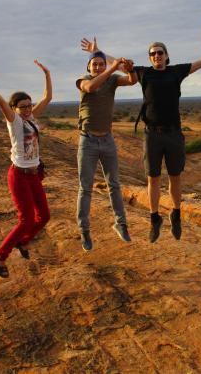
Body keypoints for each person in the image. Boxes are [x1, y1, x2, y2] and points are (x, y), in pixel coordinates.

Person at [81, 32, 201, 243]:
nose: (156, 56)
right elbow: (119, 65)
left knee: (175, 177)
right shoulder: (145, 73)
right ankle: (155, 218)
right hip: (152, 134)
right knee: (152, 178)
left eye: (160, 52)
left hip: (173, 133)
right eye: (153, 53)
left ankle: (176, 213)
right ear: (150, 57)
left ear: (166, 55)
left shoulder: (176, 71)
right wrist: (96, 52)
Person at [0, 60, 52, 278]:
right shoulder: (14, 121)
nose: (26, 109)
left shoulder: (32, 117)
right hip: (19, 176)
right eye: (22, 106)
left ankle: (23, 242)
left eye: (29, 105)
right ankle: (1, 254)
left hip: (34, 176)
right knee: (25, 219)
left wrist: (47, 74)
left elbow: (48, 98)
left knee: (43, 216)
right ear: (14, 108)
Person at [76, 50, 137, 251]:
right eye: (94, 64)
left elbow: (132, 81)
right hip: (88, 141)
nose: (98, 67)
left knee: (114, 184)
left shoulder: (111, 80)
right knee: (86, 188)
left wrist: (130, 69)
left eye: (101, 64)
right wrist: (112, 67)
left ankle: (121, 224)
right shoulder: (83, 80)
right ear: (88, 67)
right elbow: (92, 87)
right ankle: (84, 230)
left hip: (107, 139)